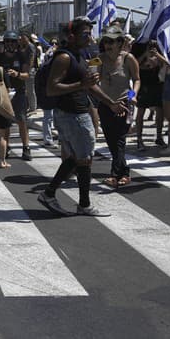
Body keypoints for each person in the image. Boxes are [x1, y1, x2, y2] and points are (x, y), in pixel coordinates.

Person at [39, 17, 125, 217]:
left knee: (78, 157)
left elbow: (91, 86)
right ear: (71, 36)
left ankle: (50, 194)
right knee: (84, 158)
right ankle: (81, 204)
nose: (90, 38)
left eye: (90, 34)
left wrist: (109, 102)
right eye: (85, 34)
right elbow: (52, 89)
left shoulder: (79, 55)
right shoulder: (64, 58)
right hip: (71, 115)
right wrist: (81, 85)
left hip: (78, 113)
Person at [96, 25, 140, 187]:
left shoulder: (129, 58)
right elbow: (92, 78)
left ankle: (116, 175)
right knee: (111, 141)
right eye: (106, 41)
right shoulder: (99, 58)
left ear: (120, 43)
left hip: (124, 104)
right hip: (106, 104)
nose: (108, 45)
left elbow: (136, 79)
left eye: (112, 42)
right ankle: (124, 172)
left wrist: (132, 95)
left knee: (120, 140)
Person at [0, 31, 33, 161]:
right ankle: (6, 146)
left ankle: (26, 147)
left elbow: (26, 74)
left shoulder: (21, 56)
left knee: (21, 120)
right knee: (6, 122)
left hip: (19, 91)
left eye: (12, 42)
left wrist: (16, 74)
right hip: (4, 93)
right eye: (7, 42)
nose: (10, 44)